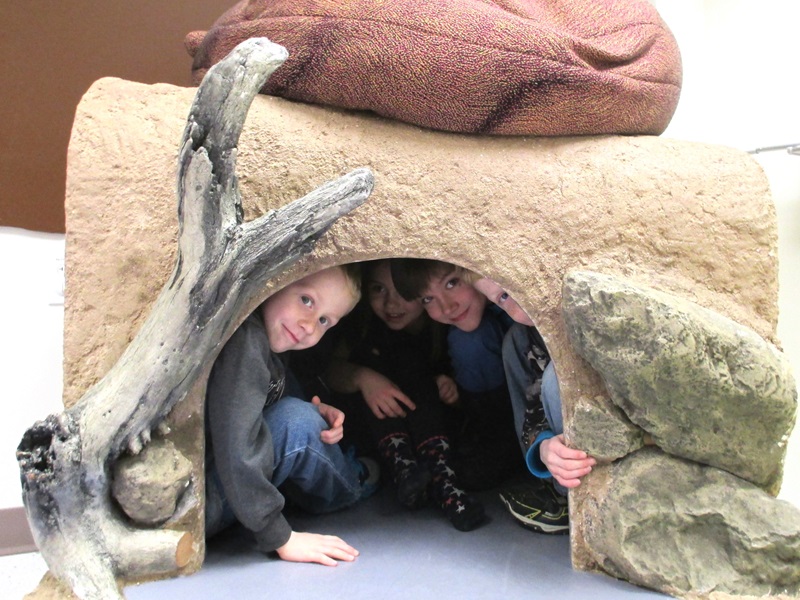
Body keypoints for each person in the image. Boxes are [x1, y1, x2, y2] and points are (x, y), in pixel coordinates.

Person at [204, 265, 380, 567]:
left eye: (325, 320)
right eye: (307, 300)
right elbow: (237, 447)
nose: (310, 325)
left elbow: (267, 393)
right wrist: (280, 536)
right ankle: (350, 485)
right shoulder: (246, 341)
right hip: (208, 502)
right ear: (276, 281)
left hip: (220, 488)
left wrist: (314, 409)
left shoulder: (267, 335)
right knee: (298, 423)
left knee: (301, 415)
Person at [324, 260, 486, 531]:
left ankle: (442, 481)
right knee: (383, 365)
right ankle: (406, 470)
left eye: (402, 291)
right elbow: (329, 372)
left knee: (414, 368)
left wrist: (451, 392)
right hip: (378, 436)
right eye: (379, 289)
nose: (391, 304)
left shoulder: (442, 328)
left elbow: (461, 399)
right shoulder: (363, 327)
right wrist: (363, 378)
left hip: (433, 432)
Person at [472, 276, 596, 534]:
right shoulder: (522, 338)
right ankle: (562, 492)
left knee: (555, 377)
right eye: (503, 297)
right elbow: (533, 412)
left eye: (515, 283)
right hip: (572, 466)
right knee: (516, 341)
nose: (518, 300)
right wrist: (544, 448)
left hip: (605, 443)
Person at [390, 259, 523, 489]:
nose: (447, 307)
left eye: (452, 283)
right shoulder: (452, 335)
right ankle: (496, 442)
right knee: (469, 340)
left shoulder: (516, 308)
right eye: (428, 299)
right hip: (498, 420)